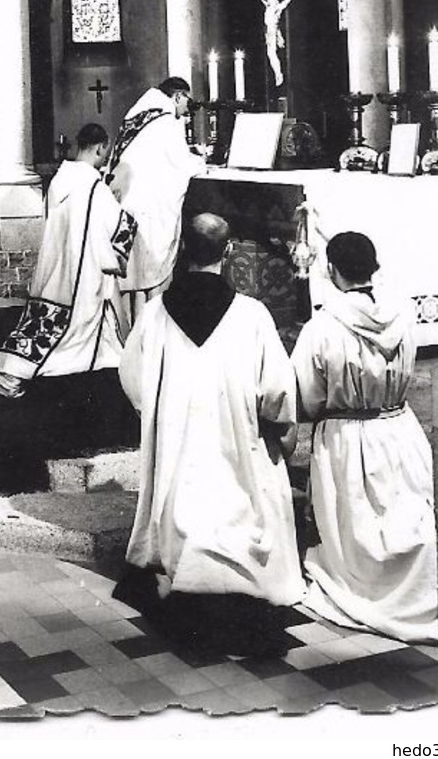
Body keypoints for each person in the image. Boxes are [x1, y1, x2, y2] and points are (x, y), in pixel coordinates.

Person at [115, 211, 304, 653]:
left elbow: (132, 375)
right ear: (229, 250)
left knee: (183, 500)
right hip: (238, 436)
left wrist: (157, 409)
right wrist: (281, 428)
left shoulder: (156, 312)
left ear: (183, 248)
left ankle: (188, 578)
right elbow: (277, 388)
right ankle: (237, 584)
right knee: (242, 500)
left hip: (177, 436)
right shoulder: (252, 315)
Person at [291, 231, 438, 644]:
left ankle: (369, 589)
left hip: (348, 437)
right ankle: (422, 590)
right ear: (374, 267)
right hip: (400, 427)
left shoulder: (322, 327)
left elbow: (307, 396)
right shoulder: (403, 317)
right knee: (409, 512)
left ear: (330, 269)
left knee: (360, 526)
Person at [0, 122, 136, 398]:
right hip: (83, 273)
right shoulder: (94, 187)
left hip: (56, 267)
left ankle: (14, 365)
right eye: (105, 153)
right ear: (100, 148)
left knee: (49, 326)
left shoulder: (59, 179)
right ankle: (17, 369)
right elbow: (118, 225)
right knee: (71, 332)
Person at [107, 77, 204, 312]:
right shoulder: (165, 121)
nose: (186, 110)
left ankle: (130, 321)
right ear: (178, 96)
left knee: (133, 271)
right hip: (148, 207)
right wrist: (200, 161)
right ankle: (150, 319)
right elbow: (180, 164)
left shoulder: (137, 115)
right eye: (187, 101)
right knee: (149, 268)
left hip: (126, 203)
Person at [257, 0, 299, 87]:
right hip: (268, 31)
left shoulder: (277, 8)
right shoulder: (268, 6)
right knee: (270, 54)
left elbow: (288, 0)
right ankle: (278, 74)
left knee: (271, 53)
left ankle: (279, 74)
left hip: (273, 31)